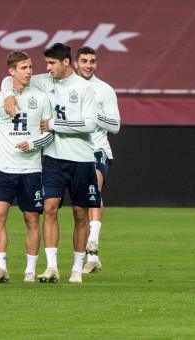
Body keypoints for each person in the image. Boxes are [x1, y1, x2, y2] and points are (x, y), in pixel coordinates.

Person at [2, 42, 99, 283]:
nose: (47, 68)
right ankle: (52, 267)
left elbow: (90, 125)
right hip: (53, 158)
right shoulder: (44, 81)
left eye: (51, 63)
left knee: (79, 214)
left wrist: (55, 125)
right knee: (49, 209)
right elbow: (9, 78)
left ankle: (77, 269)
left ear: (66, 63)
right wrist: (8, 94)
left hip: (82, 159)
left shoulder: (85, 89)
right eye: (46, 63)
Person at [0, 50, 53, 283]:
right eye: (24, 68)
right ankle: (1, 268)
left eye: (30, 67)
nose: (30, 71)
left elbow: (49, 135)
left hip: (31, 170)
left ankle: (30, 271)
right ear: (12, 71)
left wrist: (33, 143)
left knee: (32, 220)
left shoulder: (41, 98)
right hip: (3, 169)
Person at [72, 46, 121, 274]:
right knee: (79, 207)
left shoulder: (105, 90)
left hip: (97, 149)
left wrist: (94, 116)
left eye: (92, 61)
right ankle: (91, 258)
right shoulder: (66, 88)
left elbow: (115, 125)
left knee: (95, 190)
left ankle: (93, 240)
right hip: (72, 152)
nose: (88, 65)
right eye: (84, 61)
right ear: (75, 63)